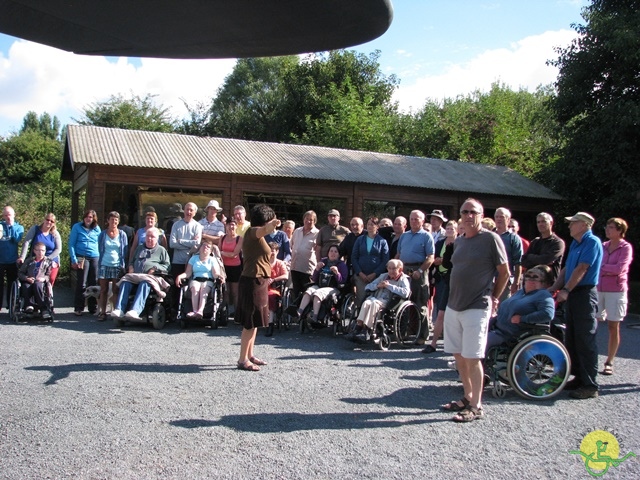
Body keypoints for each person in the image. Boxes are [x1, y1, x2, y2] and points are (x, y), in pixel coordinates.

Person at [442, 198, 509, 422]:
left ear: (481, 215)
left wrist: (494, 297)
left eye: (473, 212)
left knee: (473, 357)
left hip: (477, 306)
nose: (469, 215)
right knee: (458, 355)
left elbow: (505, 272)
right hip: (454, 305)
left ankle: (477, 405)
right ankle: (467, 396)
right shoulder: (459, 241)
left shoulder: (491, 239)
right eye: (465, 212)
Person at [549, 212, 603, 400]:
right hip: (574, 294)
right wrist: (555, 287)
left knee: (585, 339)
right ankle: (579, 377)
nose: (570, 225)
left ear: (584, 225)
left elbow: (582, 269)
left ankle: (590, 384)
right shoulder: (576, 243)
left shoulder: (592, 242)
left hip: (584, 294)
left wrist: (566, 290)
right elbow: (567, 269)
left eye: (573, 223)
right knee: (572, 337)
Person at [236, 204, 280, 372]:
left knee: (254, 322)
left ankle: (250, 354)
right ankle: (242, 360)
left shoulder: (257, 236)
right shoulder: (253, 233)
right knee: (249, 322)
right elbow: (264, 230)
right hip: (252, 282)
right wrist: (272, 224)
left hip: (259, 281)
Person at [485, 265, 555, 352]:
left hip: (513, 335)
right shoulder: (520, 293)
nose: (530, 279)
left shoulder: (543, 295)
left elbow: (548, 314)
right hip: (496, 329)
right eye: (528, 276)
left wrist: (522, 318)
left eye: (535, 277)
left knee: (478, 343)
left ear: (544, 283)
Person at [597, 217, 633, 376]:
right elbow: (594, 265)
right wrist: (606, 268)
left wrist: (602, 267)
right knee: (592, 323)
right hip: (599, 288)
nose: (607, 229)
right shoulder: (603, 246)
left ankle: (609, 361)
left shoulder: (626, 247)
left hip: (616, 290)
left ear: (620, 231)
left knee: (613, 326)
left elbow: (620, 268)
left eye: (611, 227)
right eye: (607, 226)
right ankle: (589, 357)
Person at [111, 228, 171, 319]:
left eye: (152, 237)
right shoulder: (139, 248)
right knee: (125, 282)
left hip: (151, 277)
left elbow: (167, 266)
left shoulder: (161, 250)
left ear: (157, 239)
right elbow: (132, 261)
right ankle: (119, 309)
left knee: (145, 283)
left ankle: (135, 310)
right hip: (135, 276)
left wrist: (155, 268)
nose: (150, 238)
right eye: (148, 236)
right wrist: (131, 266)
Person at [346, 259, 410, 343]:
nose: (391, 271)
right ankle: (358, 328)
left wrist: (389, 286)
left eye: (393, 268)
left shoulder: (403, 279)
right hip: (377, 299)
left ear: (400, 269)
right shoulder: (383, 276)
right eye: (389, 268)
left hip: (391, 302)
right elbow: (367, 287)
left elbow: (405, 293)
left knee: (374, 304)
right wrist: (377, 286)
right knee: (366, 303)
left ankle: (368, 331)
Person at [395, 209, 434, 345]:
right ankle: (404, 332)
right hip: (404, 270)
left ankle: (423, 335)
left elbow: (430, 257)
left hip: (419, 271)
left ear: (422, 221)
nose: (413, 221)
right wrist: (393, 269)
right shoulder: (404, 236)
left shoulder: (426, 236)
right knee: (403, 301)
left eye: (416, 219)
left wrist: (421, 270)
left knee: (420, 303)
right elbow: (398, 255)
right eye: (411, 218)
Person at [423, 220, 457, 354]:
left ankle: (453, 343)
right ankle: (433, 343)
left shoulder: (460, 244)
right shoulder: (439, 243)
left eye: (452, 228)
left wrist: (445, 261)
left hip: (455, 280)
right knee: (441, 310)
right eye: (448, 228)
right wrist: (437, 261)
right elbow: (434, 257)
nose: (449, 230)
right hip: (441, 278)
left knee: (453, 313)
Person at [289, 245, 348, 323]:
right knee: (308, 291)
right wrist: (317, 269)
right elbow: (314, 278)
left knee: (317, 293)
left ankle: (315, 316)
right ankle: (299, 312)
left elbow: (342, 281)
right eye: (331, 251)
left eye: (335, 252)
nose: (333, 253)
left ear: (339, 254)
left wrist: (337, 273)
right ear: (328, 253)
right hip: (320, 285)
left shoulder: (341, 265)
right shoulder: (324, 262)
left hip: (333, 288)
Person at [174, 240, 225, 319]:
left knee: (204, 289)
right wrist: (180, 276)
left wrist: (220, 276)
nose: (205, 247)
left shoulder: (212, 260)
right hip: (196, 279)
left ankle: (200, 311)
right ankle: (195, 311)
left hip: (208, 280)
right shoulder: (194, 258)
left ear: (211, 251)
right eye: (203, 245)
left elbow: (215, 274)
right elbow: (188, 273)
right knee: (195, 288)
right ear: (200, 248)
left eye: (208, 247)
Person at [169, 202, 203, 314]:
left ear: (195, 212)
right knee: (176, 286)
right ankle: (174, 310)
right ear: (184, 210)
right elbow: (172, 244)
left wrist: (181, 241)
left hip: (191, 261)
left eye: (191, 210)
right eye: (187, 209)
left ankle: (187, 310)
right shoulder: (176, 225)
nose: (188, 212)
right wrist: (189, 243)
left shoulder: (198, 226)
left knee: (191, 287)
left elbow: (197, 245)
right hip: (177, 261)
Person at [69, 209, 101, 316]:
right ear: (84, 217)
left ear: (94, 219)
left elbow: (101, 244)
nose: (88, 219)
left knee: (93, 282)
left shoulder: (97, 229)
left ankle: (93, 307)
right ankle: (79, 307)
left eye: (91, 217)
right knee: (81, 282)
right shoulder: (77, 227)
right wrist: (73, 259)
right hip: (82, 257)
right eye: (87, 217)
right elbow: (71, 244)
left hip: (94, 256)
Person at [97, 211, 128, 321]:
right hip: (104, 264)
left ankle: (115, 312)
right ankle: (103, 312)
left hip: (117, 265)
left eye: (116, 220)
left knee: (116, 289)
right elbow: (99, 249)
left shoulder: (122, 234)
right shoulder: (103, 234)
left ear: (118, 221)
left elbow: (125, 250)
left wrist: (123, 265)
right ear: (107, 221)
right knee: (104, 289)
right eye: (112, 219)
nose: (113, 222)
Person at [351, 217, 389, 306]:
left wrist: (375, 273)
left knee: (373, 300)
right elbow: (354, 257)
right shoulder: (360, 240)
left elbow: (385, 260)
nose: (369, 227)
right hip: (361, 276)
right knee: (361, 298)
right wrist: (360, 273)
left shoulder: (382, 241)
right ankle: (359, 319)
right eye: (368, 224)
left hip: (376, 276)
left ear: (377, 226)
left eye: (372, 224)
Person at [18, 213, 61, 285]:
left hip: (51, 258)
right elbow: (26, 242)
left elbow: (58, 249)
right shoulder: (35, 229)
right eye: (48, 219)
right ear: (44, 220)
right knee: (33, 277)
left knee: (50, 278)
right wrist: (22, 257)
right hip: (36, 257)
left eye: (52, 221)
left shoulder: (55, 234)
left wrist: (47, 259)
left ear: (54, 223)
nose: (49, 222)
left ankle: (48, 293)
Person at [521, 212, 565, 281]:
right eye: (538, 222)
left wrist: (530, 257)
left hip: (548, 283)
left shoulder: (557, 242)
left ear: (551, 223)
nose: (540, 224)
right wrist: (540, 259)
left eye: (543, 221)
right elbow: (523, 261)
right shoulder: (535, 242)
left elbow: (545, 260)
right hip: (530, 281)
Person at [17, 242, 53, 319]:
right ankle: (29, 306)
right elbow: (20, 273)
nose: (41, 253)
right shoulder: (29, 261)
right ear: (34, 251)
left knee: (37, 285)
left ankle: (43, 309)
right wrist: (27, 278)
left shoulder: (48, 261)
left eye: (43, 250)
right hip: (29, 280)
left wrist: (43, 279)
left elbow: (48, 275)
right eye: (38, 250)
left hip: (40, 281)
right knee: (26, 286)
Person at [494, 207, 523, 298]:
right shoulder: (490, 236)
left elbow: (518, 262)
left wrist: (516, 282)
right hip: (489, 280)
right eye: (497, 217)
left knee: (503, 309)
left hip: (505, 281)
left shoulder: (513, 238)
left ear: (508, 219)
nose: (498, 219)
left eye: (501, 217)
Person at [290, 210, 319, 299]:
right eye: (307, 219)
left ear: (314, 221)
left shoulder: (317, 234)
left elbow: (318, 251)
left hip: (307, 269)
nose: (308, 221)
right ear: (303, 219)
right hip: (295, 267)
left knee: (306, 293)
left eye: (311, 219)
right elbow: (292, 245)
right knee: (296, 292)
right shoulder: (297, 231)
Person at [1, 206, 24, 311]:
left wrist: (11, 226)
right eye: (5, 215)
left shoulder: (19, 227)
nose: (7, 217)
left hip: (12, 260)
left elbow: (16, 239)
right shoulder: (0, 226)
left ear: (14, 215)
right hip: (0, 260)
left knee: (11, 284)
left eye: (9, 214)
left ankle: (11, 305)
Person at [219, 218, 244, 315]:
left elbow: (234, 254)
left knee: (235, 292)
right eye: (229, 224)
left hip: (235, 268)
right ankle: (225, 313)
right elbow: (218, 253)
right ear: (226, 226)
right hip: (223, 267)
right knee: (225, 291)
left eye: (233, 224)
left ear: (236, 226)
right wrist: (223, 253)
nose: (231, 227)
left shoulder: (239, 239)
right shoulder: (222, 237)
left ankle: (237, 313)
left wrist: (222, 253)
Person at [265, 242, 289, 337]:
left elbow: (286, 275)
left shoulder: (280, 263)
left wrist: (274, 279)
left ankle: (270, 324)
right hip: (263, 287)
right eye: (269, 250)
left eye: (273, 251)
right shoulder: (264, 262)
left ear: (277, 251)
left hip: (275, 288)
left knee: (270, 297)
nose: (271, 253)